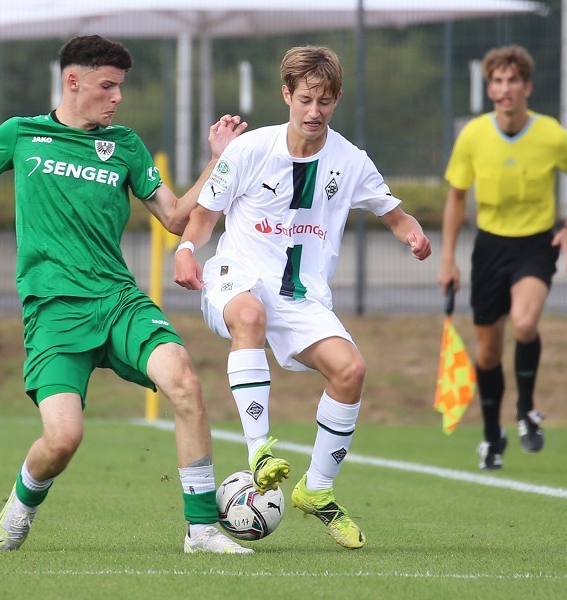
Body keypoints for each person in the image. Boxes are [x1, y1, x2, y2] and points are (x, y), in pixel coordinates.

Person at [0, 35, 252, 555]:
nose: (117, 97)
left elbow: (174, 217)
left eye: (121, 87)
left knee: (185, 382)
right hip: (53, 313)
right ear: (73, 81)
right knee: (62, 440)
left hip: (117, 300)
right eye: (108, 86)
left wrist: (218, 160)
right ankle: (20, 505)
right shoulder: (22, 133)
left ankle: (201, 530)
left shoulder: (124, 145)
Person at [174, 45, 431, 550]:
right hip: (237, 274)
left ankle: (317, 490)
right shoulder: (250, 151)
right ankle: (260, 452)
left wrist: (414, 237)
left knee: (351, 371)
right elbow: (202, 218)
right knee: (249, 313)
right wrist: (185, 250)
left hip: (301, 295)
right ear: (287, 95)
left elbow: (396, 215)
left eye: (326, 101)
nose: (314, 112)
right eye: (306, 99)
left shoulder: (350, 161)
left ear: (336, 101)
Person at [438, 45, 567, 470]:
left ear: (527, 86)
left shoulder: (552, 134)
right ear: (489, 87)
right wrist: (448, 258)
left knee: (525, 323)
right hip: (489, 248)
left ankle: (526, 410)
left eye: (513, 81)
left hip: (535, 246)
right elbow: (456, 196)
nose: (505, 88)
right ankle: (492, 437)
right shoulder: (473, 134)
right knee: (488, 354)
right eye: (498, 81)